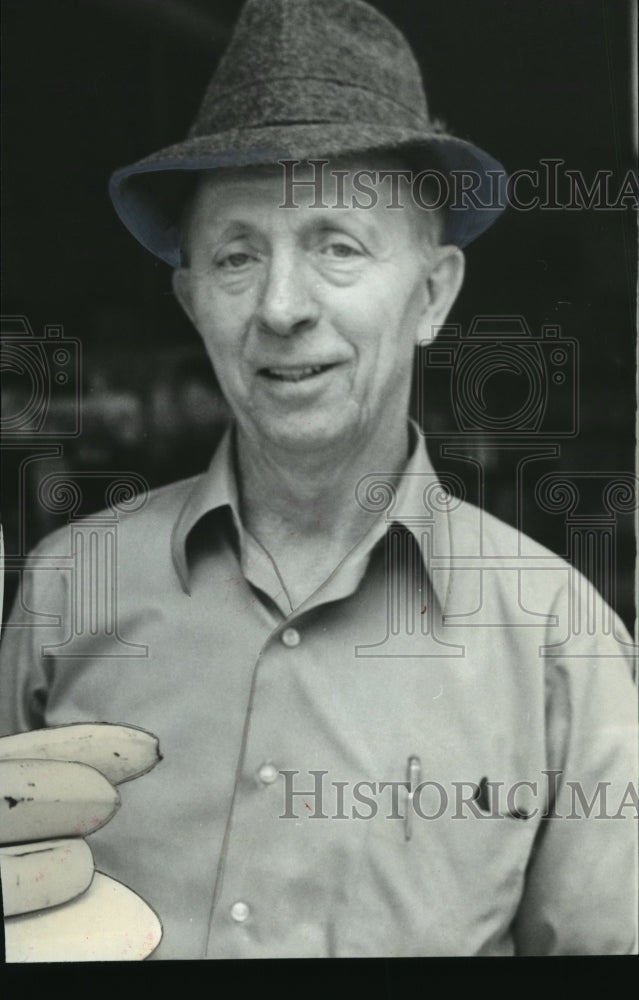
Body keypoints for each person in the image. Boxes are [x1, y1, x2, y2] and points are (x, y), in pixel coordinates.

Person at [0, 0, 637, 961]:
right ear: (190, 299)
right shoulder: (65, 589)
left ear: (431, 294)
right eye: (235, 256)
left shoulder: (559, 643)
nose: (282, 307)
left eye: (336, 245)